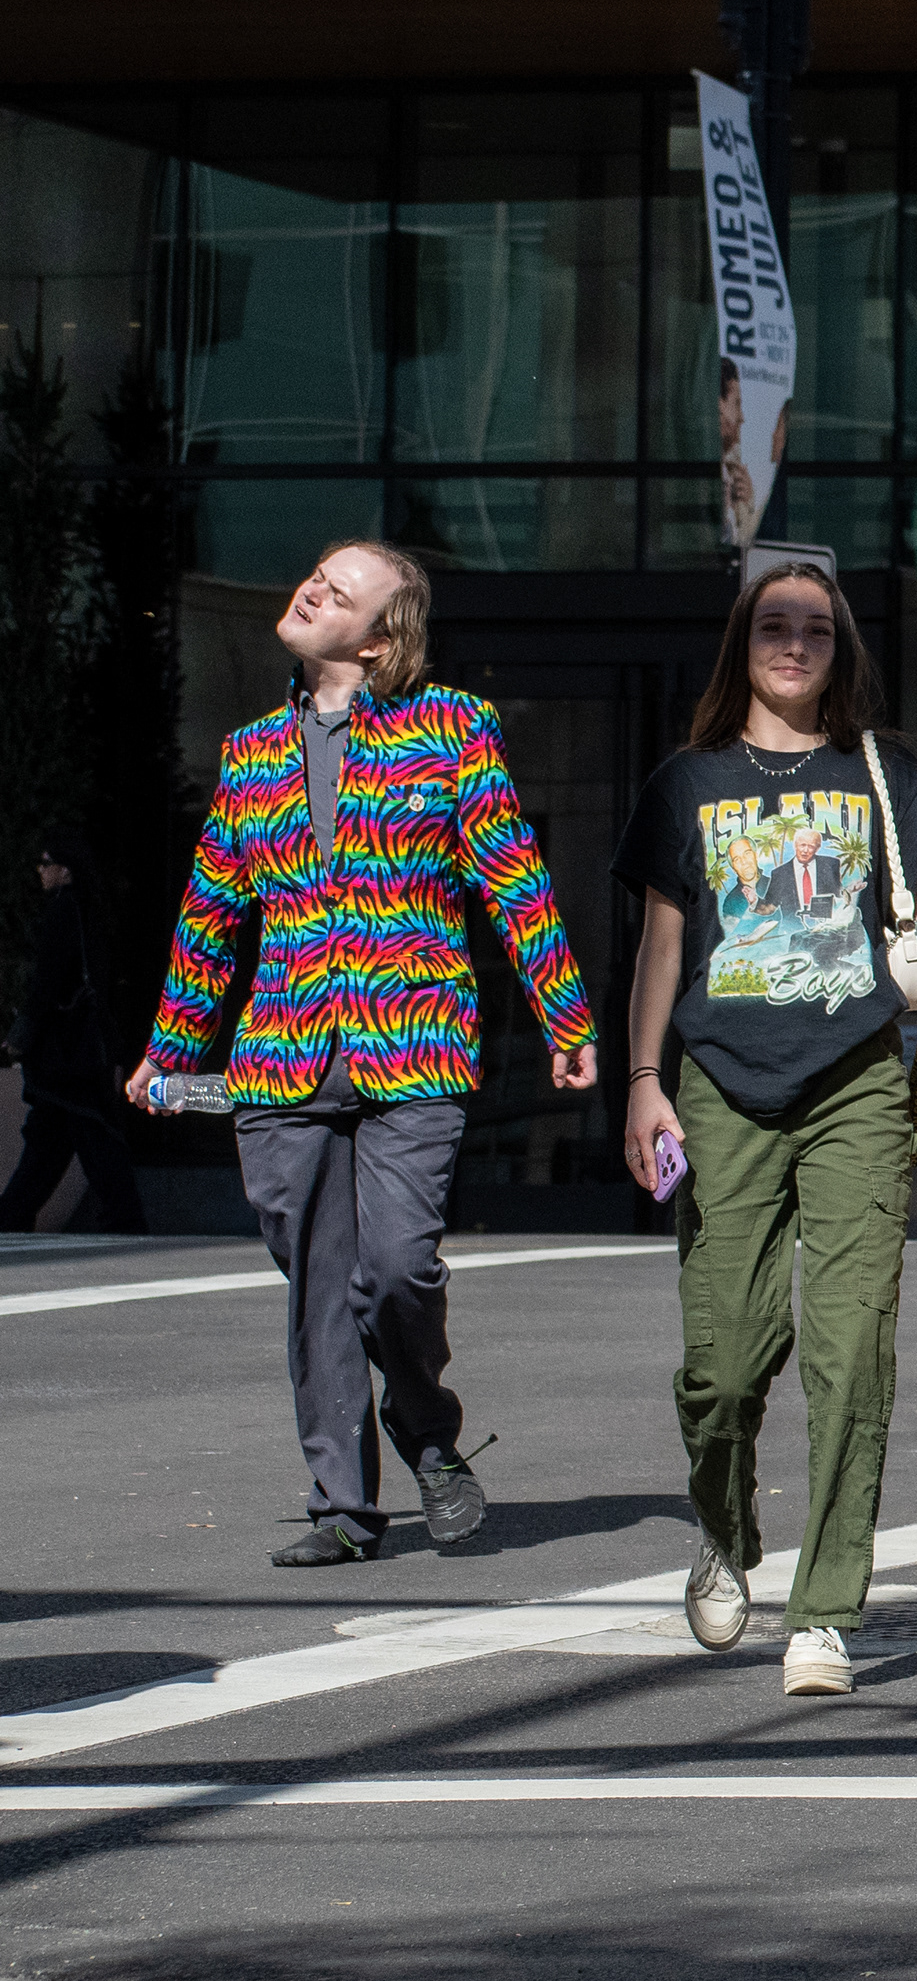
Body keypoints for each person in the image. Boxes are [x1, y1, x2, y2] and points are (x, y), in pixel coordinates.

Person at [133, 539, 598, 1567]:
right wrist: (170, 1049)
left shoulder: (455, 729)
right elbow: (213, 910)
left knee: (394, 1271)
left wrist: (566, 1020)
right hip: (284, 1059)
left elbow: (512, 881)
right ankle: (341, 1505)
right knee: (316, 1280)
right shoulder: (253, 751)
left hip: (413, 1050)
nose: (310, 589)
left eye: (338, 590)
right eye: (313, 576)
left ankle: (426, 1425)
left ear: (382, 636)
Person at [615, 563, 917, 1697]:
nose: (795, 642)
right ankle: (723, 1526)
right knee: (723, 1361)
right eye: (776, 624)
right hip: (716, 1081)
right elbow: (664, 947)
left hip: (856, 1075)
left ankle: (825, 1611)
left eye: (817, 627)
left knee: (852, 1345)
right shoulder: (688, 781)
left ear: (841, 649)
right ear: (743, 643)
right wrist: (642, 1077)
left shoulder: (884, 776)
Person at [3, 832, 147, 1235]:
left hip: (65, 1055)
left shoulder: (64, 913)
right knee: (58, 1138)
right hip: (76, 1054)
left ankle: (124, 1219)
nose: (40, 870)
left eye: (46, 863)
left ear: (64, 871)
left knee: (86, 1137)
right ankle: (13, 1215)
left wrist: (20, 1037)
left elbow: (46, 985)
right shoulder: (88, 913)